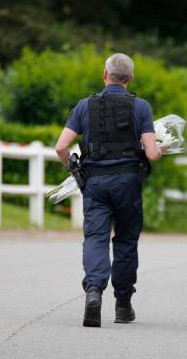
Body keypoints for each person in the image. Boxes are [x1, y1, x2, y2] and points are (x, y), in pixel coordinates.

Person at [55, 53, 162, 327]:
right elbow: (151, 153)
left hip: (96, 185)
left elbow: (61, 147)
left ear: (105, 75)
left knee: (95, 238)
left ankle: (93, 292)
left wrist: (73, 169)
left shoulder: (84, 106)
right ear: (130, 79)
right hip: (127, 183)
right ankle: (123, 306)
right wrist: (159, 149)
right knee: (126, 241)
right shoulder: (141, 107)